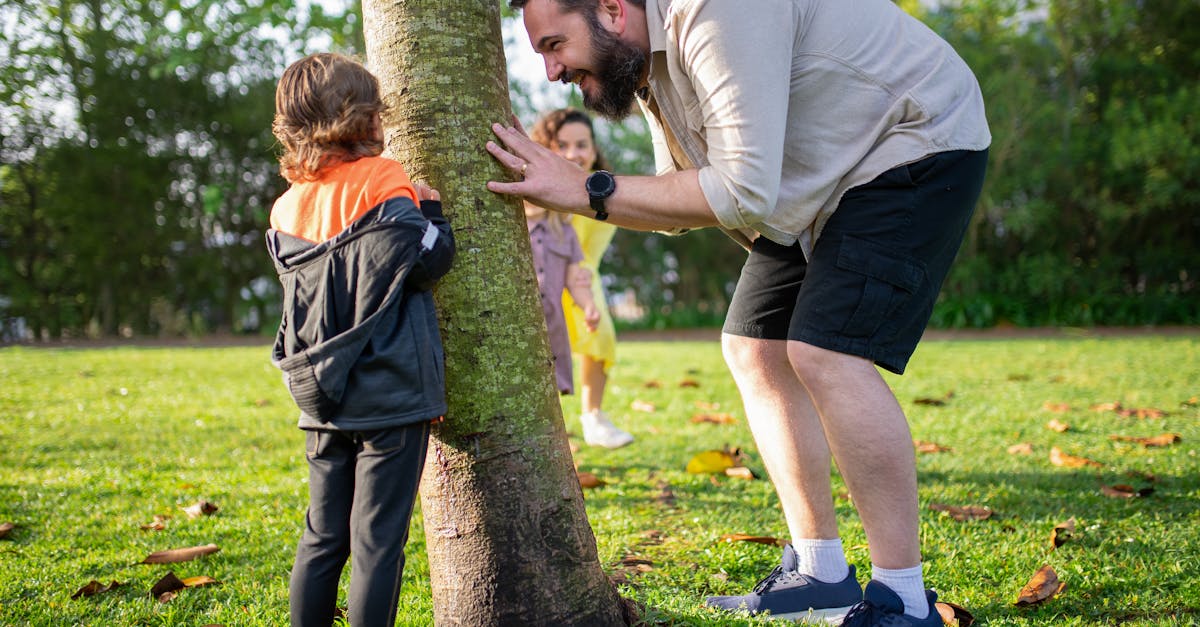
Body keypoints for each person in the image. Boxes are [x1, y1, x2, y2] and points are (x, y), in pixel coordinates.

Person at [486, 0, 990, 625]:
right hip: (816, 181)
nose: (552, 69)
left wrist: (584, 187)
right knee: (754, 348)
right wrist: (583, 193)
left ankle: (903, 601)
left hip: (913, 142)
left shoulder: (716, 10)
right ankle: (821, 572)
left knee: (825, 352)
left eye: (554, 45)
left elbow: (739, 190)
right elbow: (689, 195)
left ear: (613, 10)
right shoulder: (649, 62)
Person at [266, 52, 455, 627]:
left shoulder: (285, 207)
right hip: (391, 393)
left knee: (323, 537)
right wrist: (433, 210)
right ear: (366, 119)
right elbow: (426, 261)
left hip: (322, 396)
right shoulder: (383, 179)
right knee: (376, 543)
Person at [529, 107, 633, 448]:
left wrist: (583, 293)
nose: (574, 154)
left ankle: (593, 417)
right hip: (542, 276)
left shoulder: (605, 189)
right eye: (563, 145)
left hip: (581, 272)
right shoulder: (539, 188)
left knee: (600, 335)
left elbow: (593, 250)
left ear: (594, 147)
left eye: (582, 144)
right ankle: (549, 424)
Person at [524, 199, 602, 397]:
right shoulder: (510, 229)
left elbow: (575, 279)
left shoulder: (566, 233)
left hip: (552, 322)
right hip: (520, 320)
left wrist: (589, 306)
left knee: (551, 382)